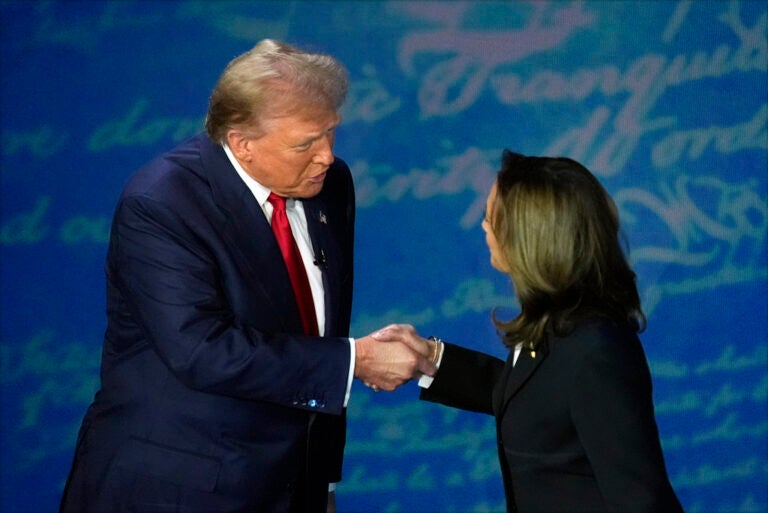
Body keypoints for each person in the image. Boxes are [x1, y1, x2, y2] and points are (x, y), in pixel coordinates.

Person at [59, 39, 434, 513]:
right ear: (242, 143)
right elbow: (202, 349)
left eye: (330, 133)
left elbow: (317, 326)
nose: (326, 155)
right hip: (181, 489)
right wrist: (353, 361)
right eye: (305, 143)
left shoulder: (329, 184)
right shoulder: (162, 203)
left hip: (290, 487)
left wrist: (322, 483)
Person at [379, 150, 685, 512]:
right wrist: (432, 360)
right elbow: (537, 398)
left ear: (528, 239)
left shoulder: (596, 350)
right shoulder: (558, 321)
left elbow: (641, 500)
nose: (483, 227)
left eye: (490, 218)